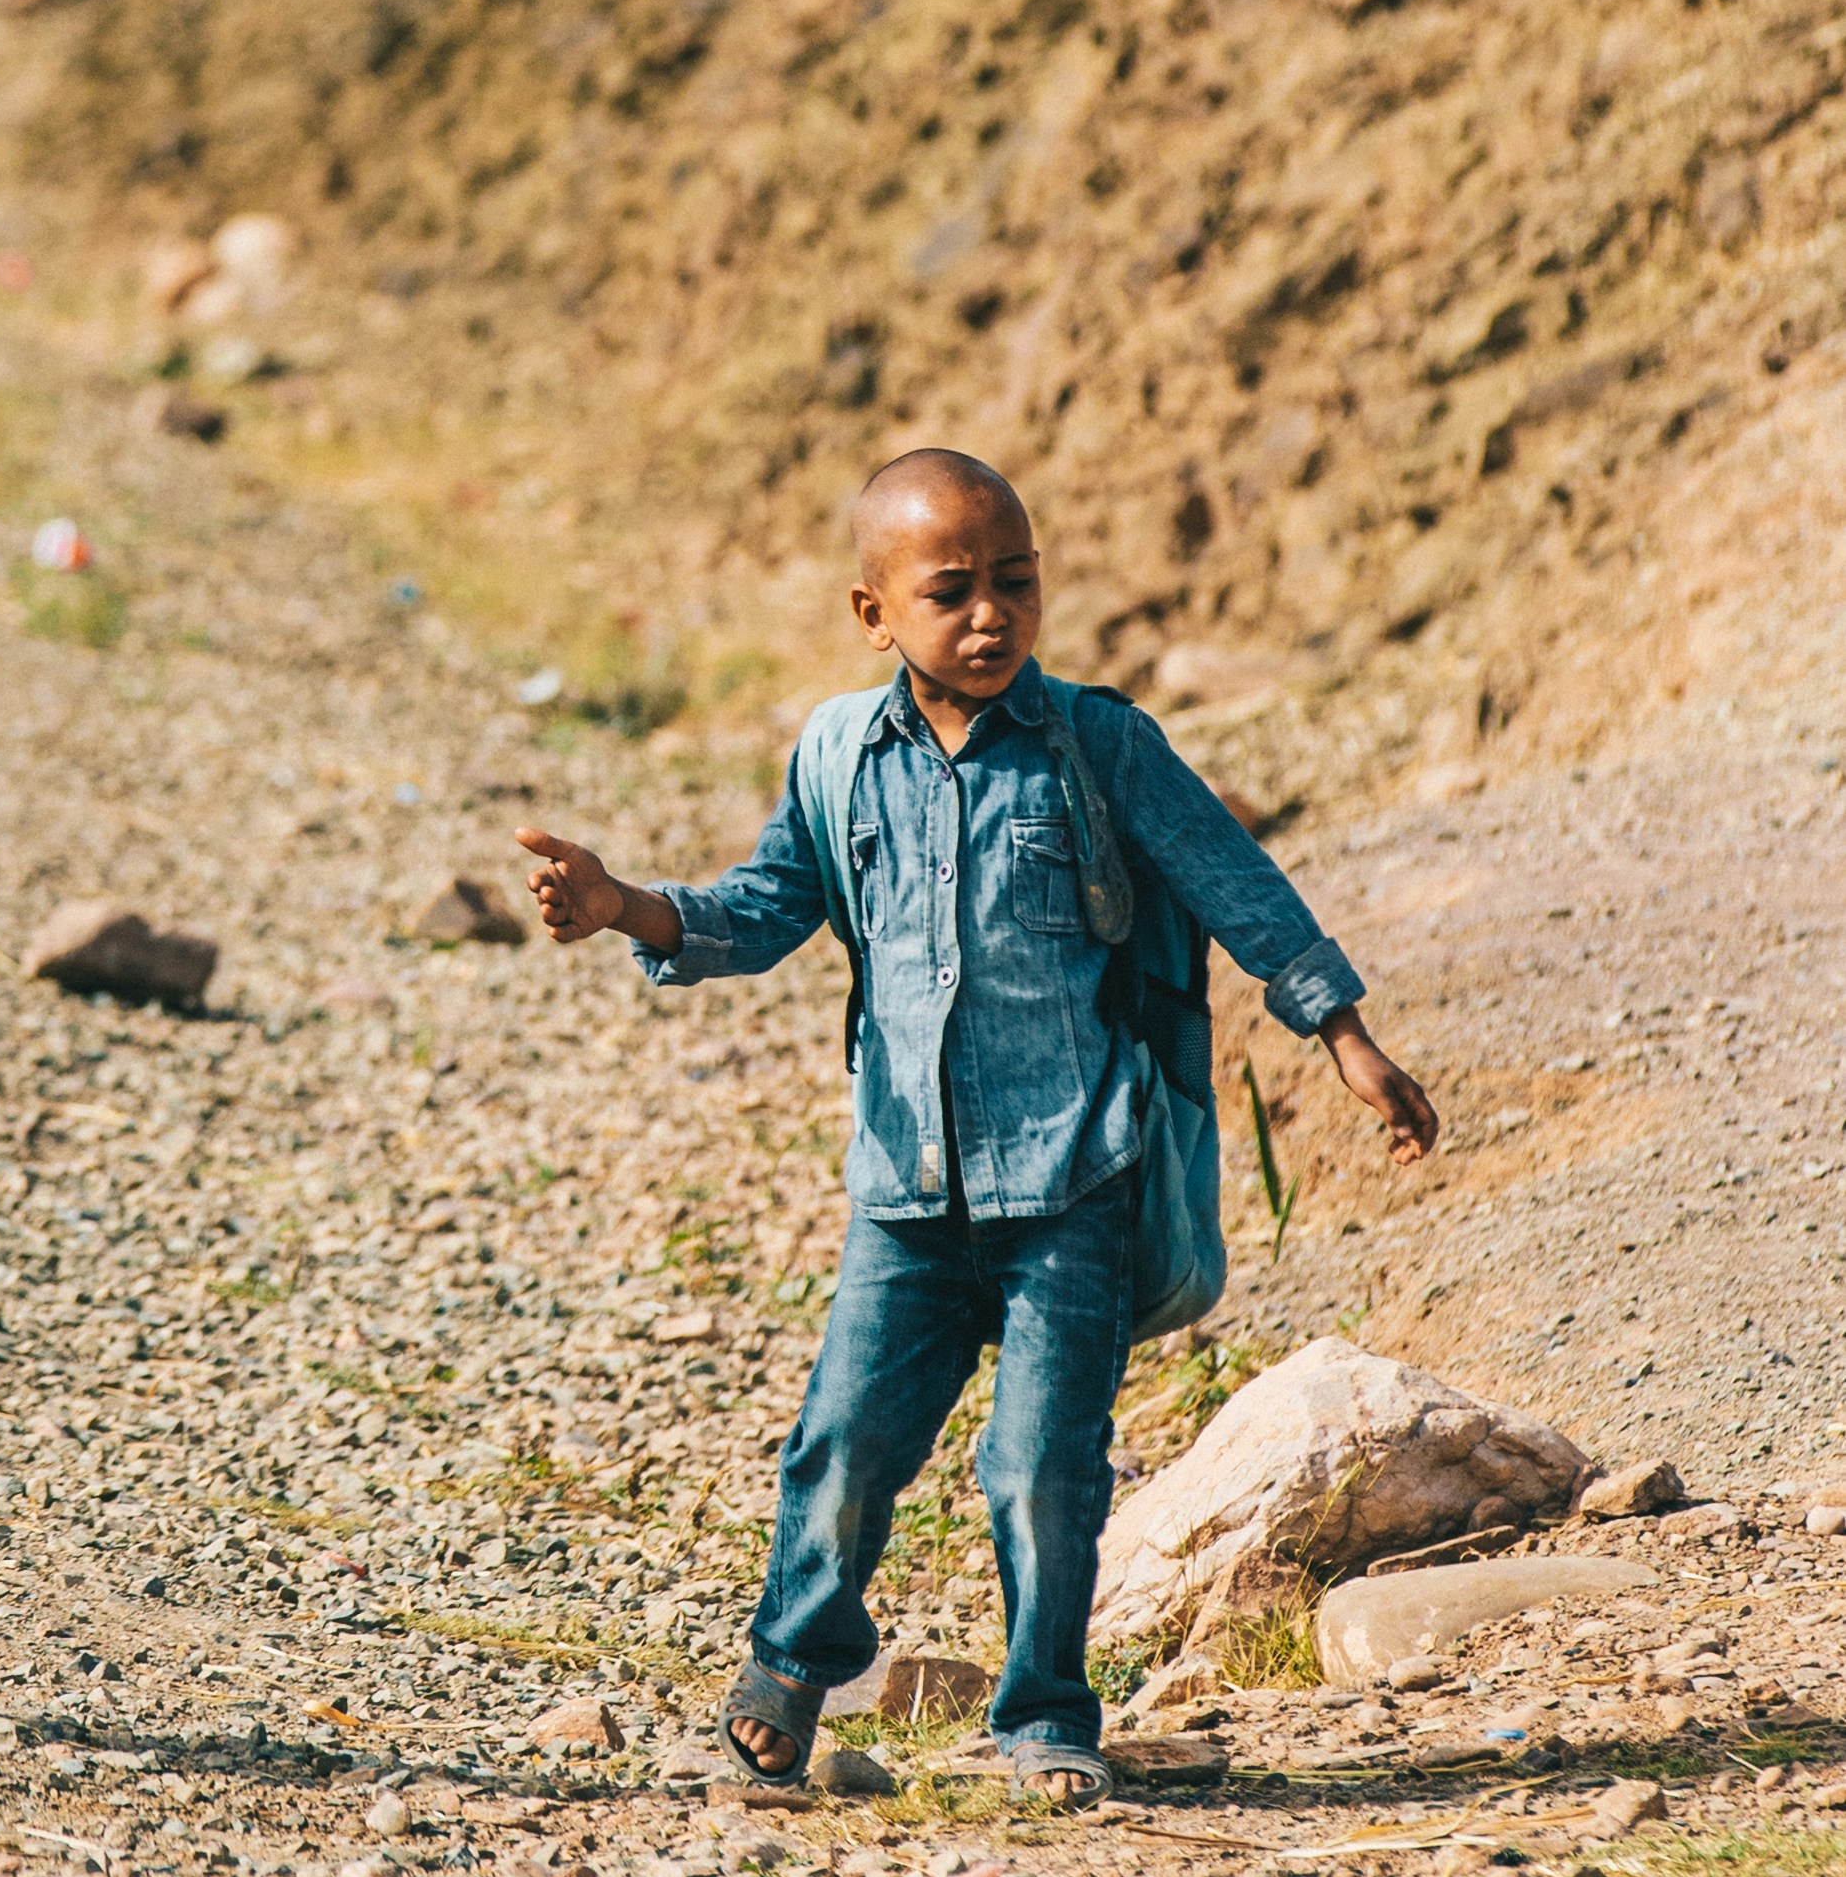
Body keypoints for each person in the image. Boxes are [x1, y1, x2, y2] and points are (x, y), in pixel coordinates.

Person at [517, 445, 1438, 1802]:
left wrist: (1341, 1031)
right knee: (842, 1449)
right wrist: (626, 909)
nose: (992, 615)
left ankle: (1047, 1718)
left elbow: (1235, 879)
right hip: (909, 1191)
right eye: (952, 592)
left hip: (1075, 1178)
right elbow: (762, 910)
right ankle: (792, 1664)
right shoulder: (840, 758)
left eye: (1017, 582)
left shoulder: (1098, 746)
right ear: (872, 612)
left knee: (1044, 1469)